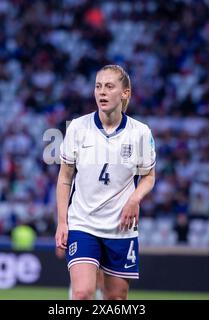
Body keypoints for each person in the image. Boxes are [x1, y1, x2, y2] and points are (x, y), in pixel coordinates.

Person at [55, 65, 156, 300]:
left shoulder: (140, 132)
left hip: (120, 228)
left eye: (109, 87)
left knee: (116, 298)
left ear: (125, 93)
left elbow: (149, 176)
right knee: (82, 293)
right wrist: (62, 221)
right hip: (83, 223)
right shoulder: (78, 128)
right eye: (98, 86)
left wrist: (134, 199)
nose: (102, 92)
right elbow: (64, 178)